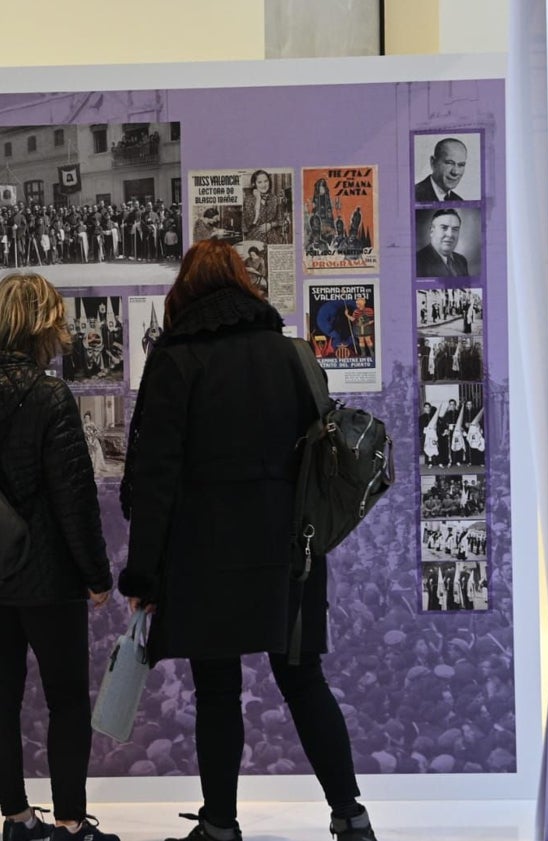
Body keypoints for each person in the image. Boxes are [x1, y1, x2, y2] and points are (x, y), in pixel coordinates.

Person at [117, 239, 378, 841]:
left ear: (185, 289)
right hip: (290, 547)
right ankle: (351, 816)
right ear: (244, 284)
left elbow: (156, 476)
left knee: (216, 690)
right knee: (303, 678)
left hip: (206, 553)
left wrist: (144, 575)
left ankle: (219, 826)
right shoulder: (292, 354)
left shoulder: (177, 359)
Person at [0, 273, 117, 841]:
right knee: (67, 701)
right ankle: (70, 823)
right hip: (48, 577)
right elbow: (74, 498)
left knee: (1, 701)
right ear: (44, 325)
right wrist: (97, 575)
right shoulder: (49, 396)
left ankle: (16, 819)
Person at [416, 209, 469, 277]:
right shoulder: (417, 261)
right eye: (444, 228)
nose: (450, 234)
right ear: (431, 231)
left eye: (455, 229)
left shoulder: (462, 261)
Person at [415, 137, 468, 202]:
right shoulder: (413, 195)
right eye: (449, 163)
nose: (455, 172)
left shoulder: (459, 200)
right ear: (433, 162)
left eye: (461, 165)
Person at [242, 170, 285, 244]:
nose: (264, 185)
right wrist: (258, 199)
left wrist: (270, 225)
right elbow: (251, 222)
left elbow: (280, 220)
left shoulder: (275, 198)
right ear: (254, 184)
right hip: (255, 239)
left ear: (269, 182)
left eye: (266, 181)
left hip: (272, 239)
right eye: (259, 182)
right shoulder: (248, 199)